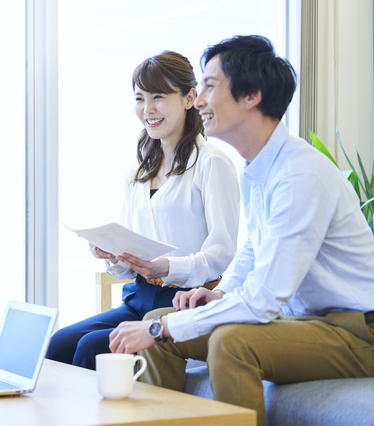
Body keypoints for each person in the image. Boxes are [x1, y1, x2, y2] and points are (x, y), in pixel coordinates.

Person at [108, 35, 374, 426]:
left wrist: (158, 325)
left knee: (229, 343)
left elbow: (264, 298)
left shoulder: (301, 174)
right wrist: (219, 292)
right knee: (165, 331)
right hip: (302, 322)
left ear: (251, 95)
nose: (199, 101)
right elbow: (253, 249)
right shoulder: (257, 169)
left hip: (357, 332)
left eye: (210, 86)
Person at [47, 51, 240, 370]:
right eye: (140, 98)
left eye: (159, 97)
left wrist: (167, 267)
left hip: (185, 302)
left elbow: (222, 251)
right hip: (139, 297)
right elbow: (131, 261)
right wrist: (114, 255)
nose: (148, 109)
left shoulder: (212, 163)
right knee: (59, 344)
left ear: (189, 97)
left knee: (93, 347)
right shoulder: (139, 172)